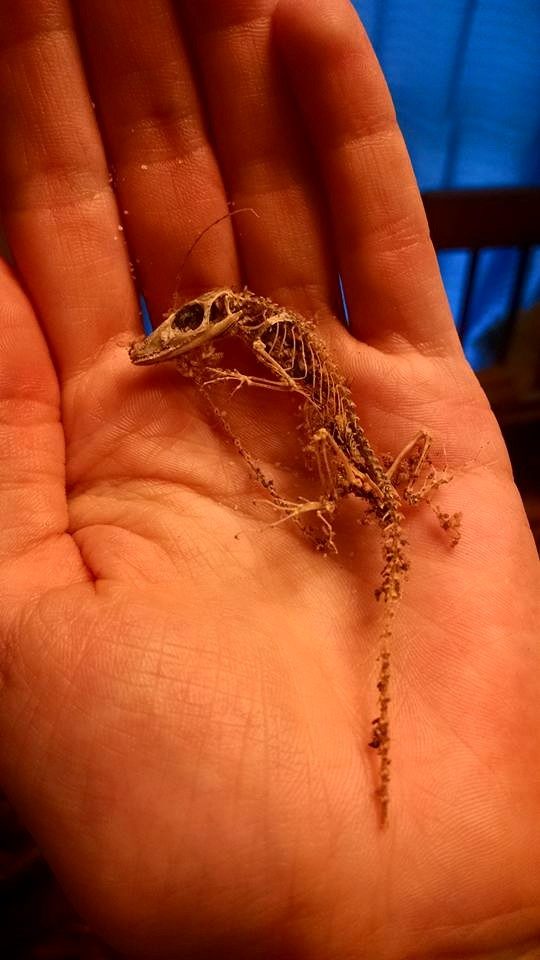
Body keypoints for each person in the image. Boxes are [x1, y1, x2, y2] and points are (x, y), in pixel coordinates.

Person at [0, 1, 538, 957]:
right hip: (356, 460)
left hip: (356, 470)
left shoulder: (340, 449)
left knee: (334, 480)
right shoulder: (265, 346)